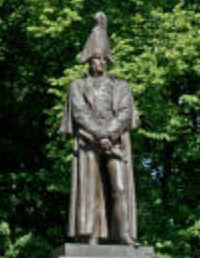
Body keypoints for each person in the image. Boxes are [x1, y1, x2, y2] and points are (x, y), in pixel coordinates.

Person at [59, 12, 139, 245]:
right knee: (90, 188)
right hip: (88, 141)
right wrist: (98, 135)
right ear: (89, 60)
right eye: (96, 58)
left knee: (120, 187)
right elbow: (80, 113)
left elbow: (125, 113)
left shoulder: (121, 86)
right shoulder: (77, 86)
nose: (101, 62)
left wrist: (108, 135)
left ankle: (123, 233)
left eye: (104, 59)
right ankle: (91, 236)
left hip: (115, 143)